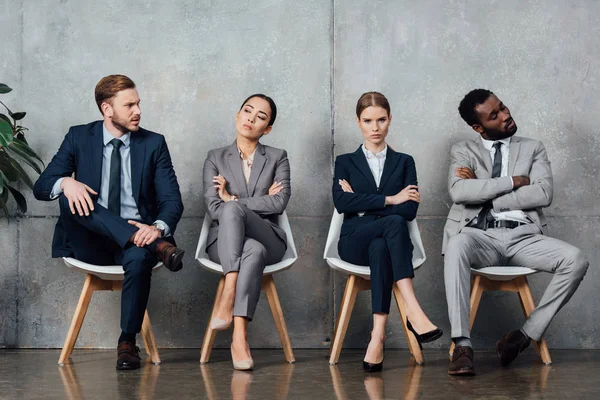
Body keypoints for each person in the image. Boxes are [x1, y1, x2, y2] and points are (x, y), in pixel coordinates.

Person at [33, 74, 185, 370]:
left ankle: (127, 342)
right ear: (107, 109)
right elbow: (42, 186)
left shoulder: (153, 144)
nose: (138, 111)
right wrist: (66, 182)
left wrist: (156, 229)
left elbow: (171, 201)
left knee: (140, 256)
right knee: (69, 196)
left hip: (138, 242)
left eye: (138, 103)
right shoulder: (79, 137)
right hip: (89, 242)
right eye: (129, 105)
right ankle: (158, 246)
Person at [445, 89, 589, 376]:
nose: (505, 115)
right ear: (478, 127)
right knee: (457, 244)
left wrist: (486, 190)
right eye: (494, 116)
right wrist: (514, 181)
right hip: (479, 235)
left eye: (503, 107)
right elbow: (459, 191)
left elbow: (543, 193)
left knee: (576, 260)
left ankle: (521, 337)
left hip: (524, 236)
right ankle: (462, 345)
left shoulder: (533, 147)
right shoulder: (464, 150)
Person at [332, 91, 442, 372]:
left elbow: (410, 212)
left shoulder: (405, 161)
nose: (375, 128)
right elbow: (342, 202)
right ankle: (414, 311)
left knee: (381, 246)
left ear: (390, 119)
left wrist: (363, 204)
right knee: (392, 223)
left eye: (381, 120)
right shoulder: (345, 161)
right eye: (368, 121)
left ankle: (377, 336)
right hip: (352, 242)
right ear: (358, 122)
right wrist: (392, 199)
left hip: (385, 245)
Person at [202, 94, 290, 371]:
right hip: (224, 243)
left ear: (268, 128)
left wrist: (234, 200)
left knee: (233, 210)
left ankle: (229, 293)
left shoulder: (278, 157)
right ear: (237, 115)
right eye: (247, 111)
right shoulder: (215, 158)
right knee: (253, 250)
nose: (251, 118)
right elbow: (214, 207)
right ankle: (239, 338)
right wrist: (234, 204)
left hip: (270, 236)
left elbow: (279, 202)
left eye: (261, 116)